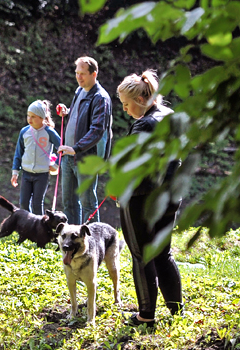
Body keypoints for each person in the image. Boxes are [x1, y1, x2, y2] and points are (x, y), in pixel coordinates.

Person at [116, 70, 183, 329]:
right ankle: (176, 310)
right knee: (162, 253)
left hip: (141, 198)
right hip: (170, 195)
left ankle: (146, 315)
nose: (125, 109)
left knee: (141, 254)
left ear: (141, 100)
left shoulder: (144, 124)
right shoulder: (169, 116)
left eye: (126, 103)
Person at [56, 56, 113, 224]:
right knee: (69, 203)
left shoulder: (101, 98)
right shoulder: (79, 91)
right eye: (76, 73)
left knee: (88, 203)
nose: (78, 77)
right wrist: (67, 112)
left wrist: (77, 148)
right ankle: (72, 240)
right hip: (68, 155)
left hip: (85, 158)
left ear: (94, 74)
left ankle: (94, 241)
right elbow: (80, 117)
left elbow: (97, 130)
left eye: (82, 74)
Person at [11, 100, 61, 214]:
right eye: (28, 116)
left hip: (42, 174)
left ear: (42, 117)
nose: (29, 119)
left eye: (33, 116)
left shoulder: (50, 132)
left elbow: (62, 149)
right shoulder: (24, 132)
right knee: (23, 202)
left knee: (37, 204)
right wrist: (15, 172)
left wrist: (56, 164)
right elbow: (18, 153)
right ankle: (27, 227)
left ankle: (40, 229)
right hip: (26, 173)